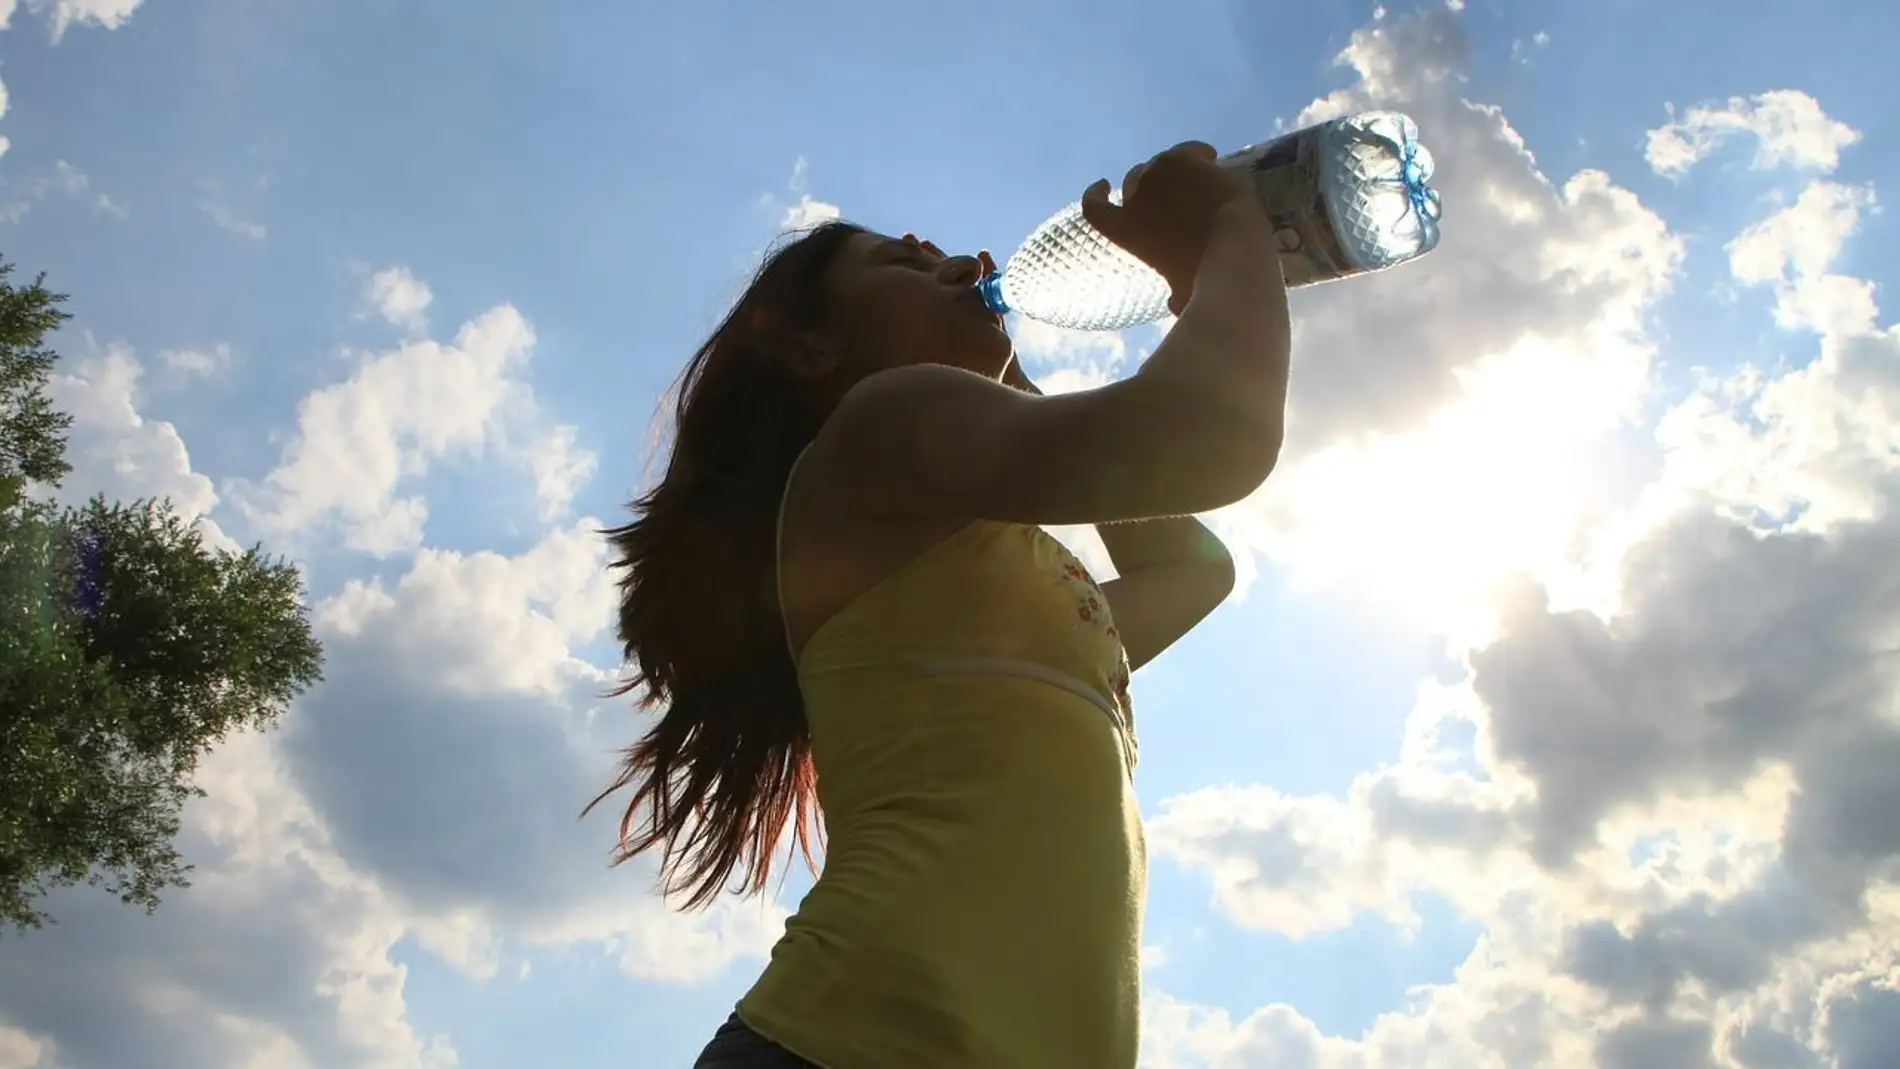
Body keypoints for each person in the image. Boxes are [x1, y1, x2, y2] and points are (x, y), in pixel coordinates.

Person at [589, 141, 1293, 1069]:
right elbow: (1210, 435)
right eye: (903, 260)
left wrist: (1030, 382)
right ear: (814, 346)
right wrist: (1233, 229)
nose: (953, 258)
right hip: (850, 1042)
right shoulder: (876, 427)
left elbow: (1196, 568)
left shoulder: (1011, 598)